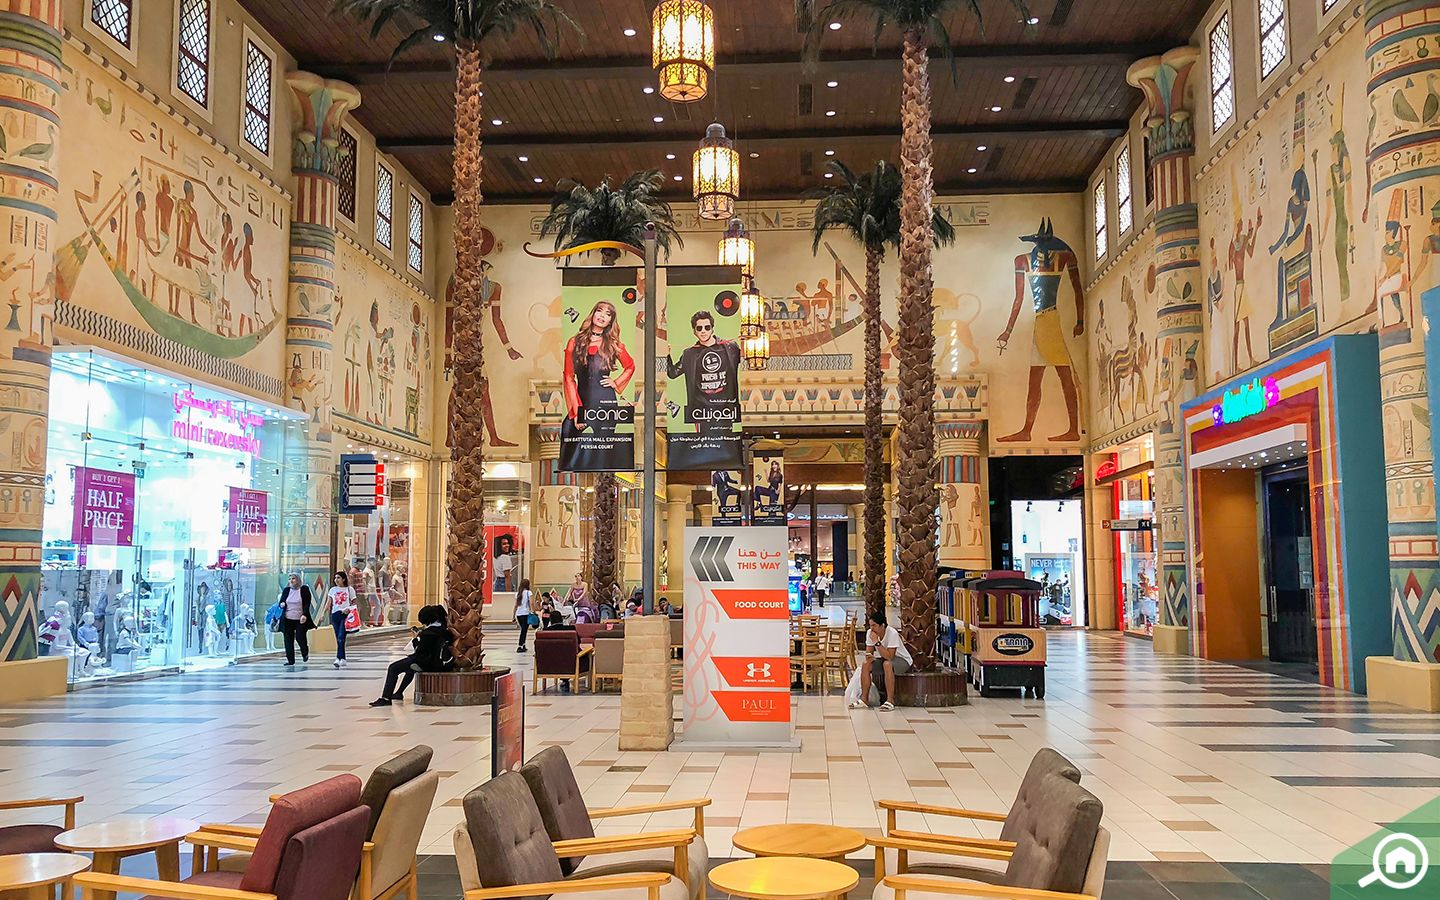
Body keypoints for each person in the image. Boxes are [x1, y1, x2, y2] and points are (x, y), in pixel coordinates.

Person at [560, 299, 636, 470]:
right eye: (600, 311)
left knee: (603, 452)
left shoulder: (614, 344)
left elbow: (630, 366)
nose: (602, 316)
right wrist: (577, 411)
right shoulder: (574, 342)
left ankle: (606, 485)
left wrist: (615, 383)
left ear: (610, 321)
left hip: (605, 403)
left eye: (608, 314)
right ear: (593, 314)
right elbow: (569, 377)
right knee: (567, 436)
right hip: (581, 401)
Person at [370, 605, 454, 706]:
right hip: (441, 663)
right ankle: (399, 693)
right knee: (410, 667)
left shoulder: (428, 634)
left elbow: (419, 652)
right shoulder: (445, 631)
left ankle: (386, 698)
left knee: (393, 668)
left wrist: (415, 639)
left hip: (429, 664)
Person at [851, 609, 912, 712]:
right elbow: (869, 653)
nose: (872, 628)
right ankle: (864, 700)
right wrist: (870, 657)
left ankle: (890, 701)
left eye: (874, 625)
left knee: (887, 664)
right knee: (866, 664)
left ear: (882, 625)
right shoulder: (870, 633)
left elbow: (890, 657)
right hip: (885, 658)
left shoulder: (892, 633)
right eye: (870, 626)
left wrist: (877, 642)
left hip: (902, 660)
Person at [276, 573, 313, 667]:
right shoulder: (286, 590)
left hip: (300, 619)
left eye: (293, 579)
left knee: (300, 637)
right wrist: (282, 604)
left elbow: (307, 603)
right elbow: (282, 601)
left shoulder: (304, 589)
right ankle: (290, 660)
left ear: (298, 580)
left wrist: (304, 614)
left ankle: (305, 652)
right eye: (290, 579)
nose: (291, 581)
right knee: (288, 639)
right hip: (287, 619)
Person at [328, 570, 356, 669]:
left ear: (343, 579)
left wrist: (349, 609)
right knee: (339, 638)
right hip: (335, 614)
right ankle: (342, 659)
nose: (336, 580)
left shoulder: (349, 589)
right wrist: (323, 614)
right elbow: (329, 603)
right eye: (335, 578)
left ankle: (338, 658)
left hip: (345, 615)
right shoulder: (332, 590)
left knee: (341, 637)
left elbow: (354, 602)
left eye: (338, 578)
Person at [514, 578, 534, 652]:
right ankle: (520, 645)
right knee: (524, 630)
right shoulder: (529, 593)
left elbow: (515, 605)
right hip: (525, 614)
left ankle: (523, 645)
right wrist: (533, 611)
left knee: (523, 630)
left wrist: (513, 616)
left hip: (518, 614)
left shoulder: (518, 594)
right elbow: (531, 603)